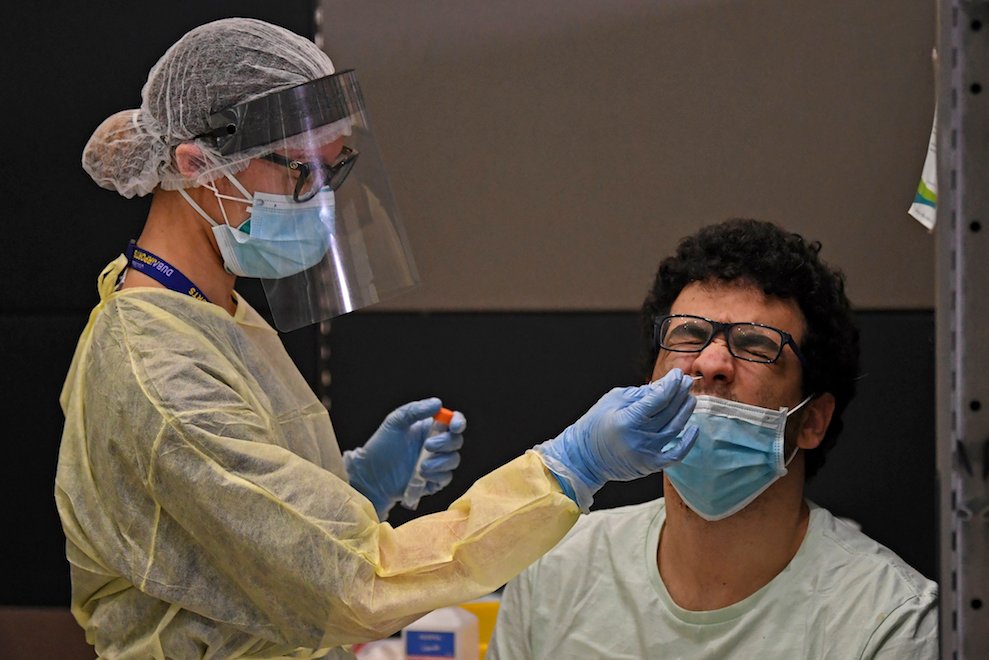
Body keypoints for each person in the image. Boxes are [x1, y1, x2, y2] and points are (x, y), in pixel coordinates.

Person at [54, 18, 702, 659]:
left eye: (335, 172)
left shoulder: (209, 312)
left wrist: (355, 485)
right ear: (198, 165)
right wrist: (567, 469)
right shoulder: (156, 368)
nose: (323, 205)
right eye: (302, 172)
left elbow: (228, 533)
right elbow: (356, 585)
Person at [488, 219, 938, 659]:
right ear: (647, 386)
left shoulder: (889, 622)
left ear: (812, 420)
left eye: (757, 345)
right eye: (689, 335)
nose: (710, 362)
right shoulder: (554, 572)